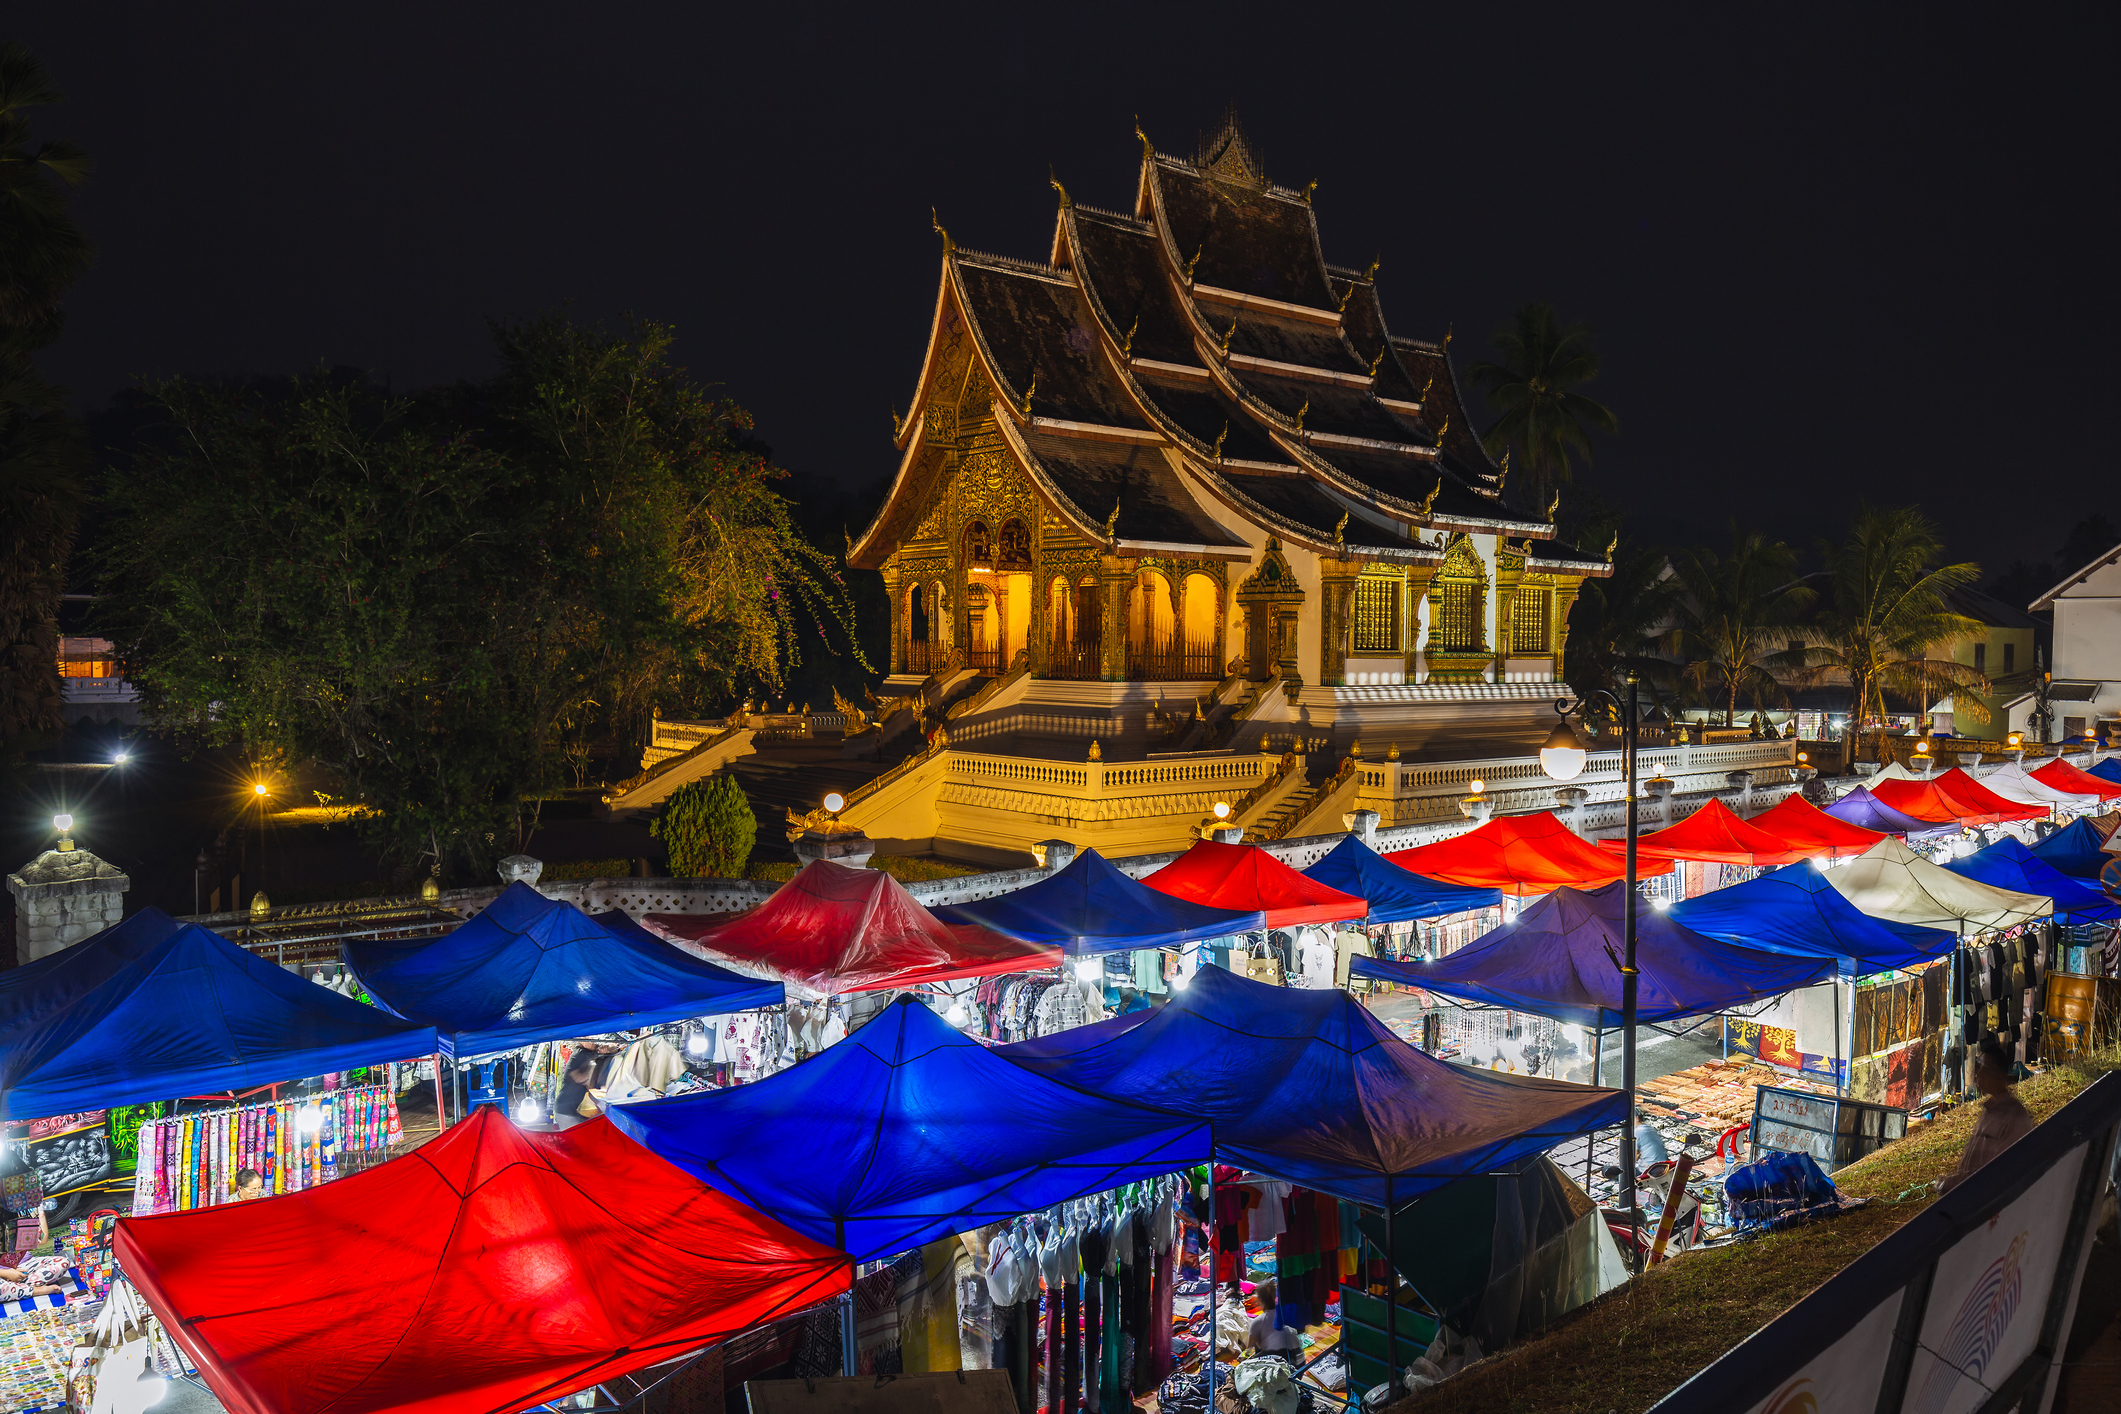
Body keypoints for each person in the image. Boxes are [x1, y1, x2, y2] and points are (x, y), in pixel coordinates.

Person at [1941, 1037, 2035, 1194]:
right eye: (1979, 1068)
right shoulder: (1989, 1110)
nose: (1979, 1074)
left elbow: (1998, 1173)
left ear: (2000, 1074)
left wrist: (1955, 1183)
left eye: (1985, 1069)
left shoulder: (2014, 1117)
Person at [0, 1209, 69, 1300]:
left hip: (25, 1267)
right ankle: (35, 1290)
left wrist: (40, 1212)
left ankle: (15, 1289)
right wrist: (6, 1273)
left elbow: (42, 1239)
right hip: (2, 1276)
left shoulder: (17, 1211)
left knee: (62, 1263)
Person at [1246, 1278, 1301, 1354]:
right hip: (1299, 1357)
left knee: (1255, 1346)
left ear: (1259, 1300)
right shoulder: (1288, 1313)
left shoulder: (1258, 1321)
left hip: (1280, 1358)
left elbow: (1249, 1349)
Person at [555, 1052, 601, 1129]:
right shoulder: (578, 1055)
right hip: (566, 1111)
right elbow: (577, 1077)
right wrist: (592, 1073)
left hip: (572, 1110)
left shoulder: (587, 1054)